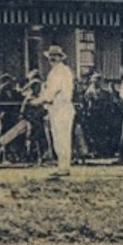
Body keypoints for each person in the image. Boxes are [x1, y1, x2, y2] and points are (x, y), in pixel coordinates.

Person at [35, 45, 75, 178]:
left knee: (62, 138)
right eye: (50, 57)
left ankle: (64, 167)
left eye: (55, 56)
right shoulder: (54, 72)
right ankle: (61, 166)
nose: (52, 59)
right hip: (55, 108)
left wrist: (39, 100)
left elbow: (53, 90)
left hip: (62, 107)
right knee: (57, 139)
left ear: (60, 57)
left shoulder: (62, 71)